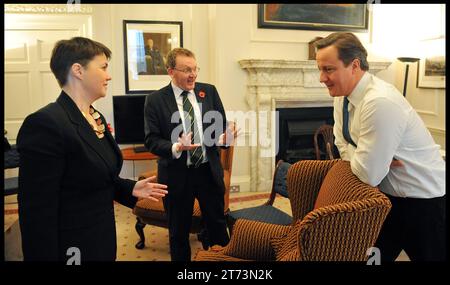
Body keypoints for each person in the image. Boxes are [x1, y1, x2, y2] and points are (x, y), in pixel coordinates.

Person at [17, 37, 168, 262]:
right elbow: (37, 213)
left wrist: (131, 188)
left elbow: (94, 175)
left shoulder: (94, 116)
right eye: (104, 67)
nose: (108, 76)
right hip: (71, 247)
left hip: (101, 237)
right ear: (78, 70)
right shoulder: (45, 124)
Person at [315, 32, 446, 262]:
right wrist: (371, 157)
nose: (321, 78)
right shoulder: (341, 96)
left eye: (328, 69)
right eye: (320, 69)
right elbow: (339, 143)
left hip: (424, 202)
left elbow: (369, 173)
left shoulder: (380, 102)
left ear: (354, 65)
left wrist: (373, 162)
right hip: (386, 199)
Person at [144, 47, 236, 261]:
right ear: (170, 72)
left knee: (218, 227)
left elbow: (220, 127)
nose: (193, 74)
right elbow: (151, 140)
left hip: (208, 172)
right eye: (186, 70)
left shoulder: (209, 91)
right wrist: (176, 147)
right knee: (178, 233)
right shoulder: (155, 100)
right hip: (177, 175)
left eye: (195, 69)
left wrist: (225, 138)